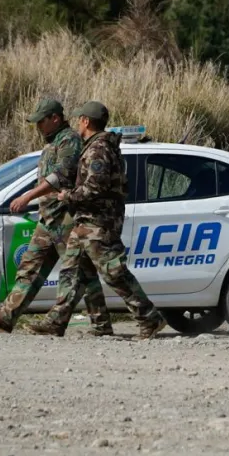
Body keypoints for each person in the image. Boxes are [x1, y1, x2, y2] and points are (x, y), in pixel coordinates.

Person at [28, 101, 166, 341]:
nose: (77, 125)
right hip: (85, 220)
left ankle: (149, 317)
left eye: (80, 120)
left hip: (98, 222)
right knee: (71, 270)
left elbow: (95, 188)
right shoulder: (94, 146)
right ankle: (57, 321)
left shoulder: (98, 149)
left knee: (114, 272)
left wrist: (67, 195)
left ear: (86, 121)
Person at [0, 98, 112, 336]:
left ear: (55, 119)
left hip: (65, 218)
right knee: (29, 267)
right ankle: (6, 317)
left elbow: (61, 175)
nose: (38, 126)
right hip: (48, 218)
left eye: (41, 121)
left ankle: (101, 325)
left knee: (81, 273)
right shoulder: (52, 143)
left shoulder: (69, 140)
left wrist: (27, 196)